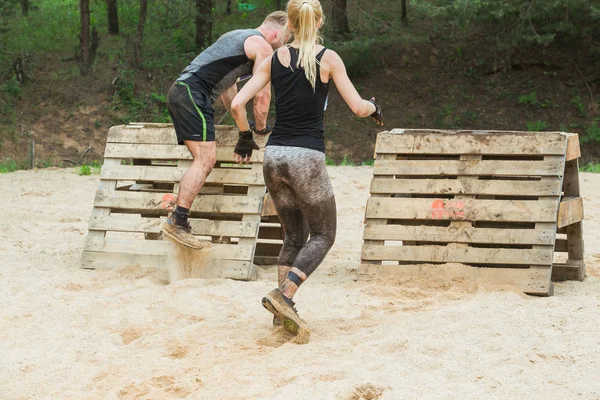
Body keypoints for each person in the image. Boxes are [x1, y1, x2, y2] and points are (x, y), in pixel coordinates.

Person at [230, 0, 383, 335]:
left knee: (295, 235)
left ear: (291, 24)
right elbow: (357, 107)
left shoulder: (273, 58)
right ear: (321, 21)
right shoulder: (328, 58)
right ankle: (285, 296)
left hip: (273, 157)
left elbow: (238, 102)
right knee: (324, 234)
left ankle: (280, 315)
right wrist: (374, 107)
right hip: (306, 157)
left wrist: (245, 136)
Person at [162, 11, 288, 248]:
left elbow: (229, 92)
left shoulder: (236, 37)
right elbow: (262, 94)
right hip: (193, 94)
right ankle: (178, 221)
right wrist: (259, 129)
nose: (285, 45)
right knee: (206, 160)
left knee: (202, 160)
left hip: (182, 91)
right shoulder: (262, 47)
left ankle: (177, 214)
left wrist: (243, 130)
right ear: (277, 33)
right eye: (286, 38)